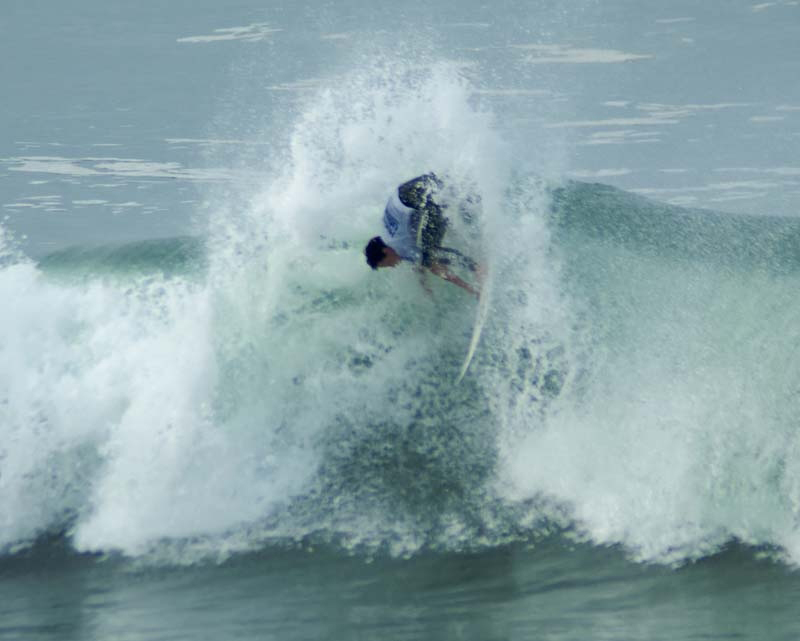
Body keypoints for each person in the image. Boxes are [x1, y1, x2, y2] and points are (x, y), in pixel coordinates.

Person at [364, 173, 481, 297]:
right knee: (428, 249)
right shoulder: (386, 234)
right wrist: (424, 284)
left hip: (426, 200)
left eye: (387, 264)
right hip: (424, 184)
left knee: (431, 256)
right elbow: (418, 261)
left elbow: (431, 265)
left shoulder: (398, 246)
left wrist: (470, 289)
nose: (392, 266)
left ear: (386, 252)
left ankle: (477, 268)